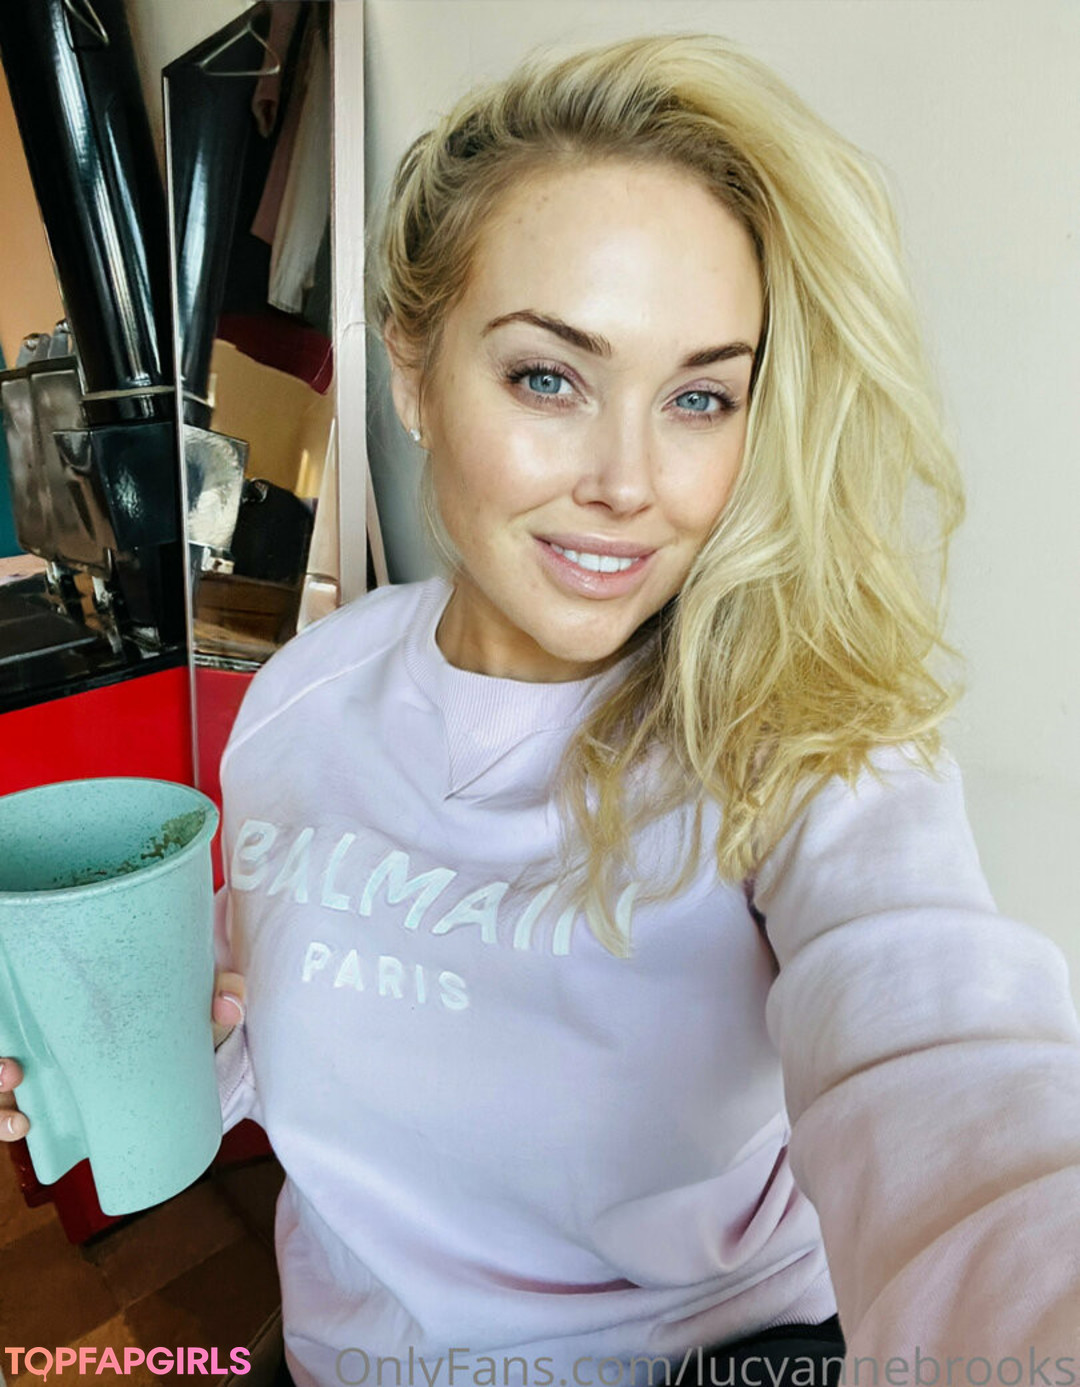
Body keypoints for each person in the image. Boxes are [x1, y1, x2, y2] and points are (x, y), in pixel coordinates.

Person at [4, 31, 1080, 1387]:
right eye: (549, 377)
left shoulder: (809, 750)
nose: (630, 481)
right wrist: (150, 1050)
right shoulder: (295, 703)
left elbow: (958, 1091)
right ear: (412, 371)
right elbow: (280, 1018)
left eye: (700, 397)